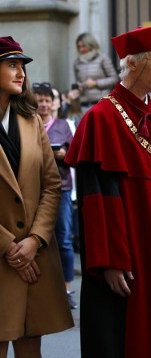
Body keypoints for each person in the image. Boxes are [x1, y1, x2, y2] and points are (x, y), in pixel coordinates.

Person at [65, 23, 151, 358]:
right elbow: (96, 200)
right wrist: (108, 260)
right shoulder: (100, 119)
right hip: (128, 254)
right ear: (133, 64)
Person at [0, 36, 73, 358]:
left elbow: (51, 185)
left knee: (31, 351)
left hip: (35, 255)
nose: (21, 74)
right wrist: (10, 247)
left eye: (23, 67)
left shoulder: (31, 122)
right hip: (2, 256)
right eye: (12, 65)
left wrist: (35, 240)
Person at [32, 82, 77, 309]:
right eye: (39, 100)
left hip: (62, 187)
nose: (43, 105)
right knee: (38, 240)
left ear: (53, 103)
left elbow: (73, 157)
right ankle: (41, 290)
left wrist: (62, 154)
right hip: (33, 189)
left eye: (47, 100)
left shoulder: (63, 126)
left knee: (64, 240)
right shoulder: (27, 124)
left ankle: (67, 289)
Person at [73, 32, 119, 111]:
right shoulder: (77, 62)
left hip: (101, 102)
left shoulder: (103, 58)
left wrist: (96, 83)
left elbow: (114, 79)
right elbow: (78, 81)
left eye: (83, 46)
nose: (81, 49)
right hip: (84, 103)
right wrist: (80, 87)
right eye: (79, 46)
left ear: (90, 45)